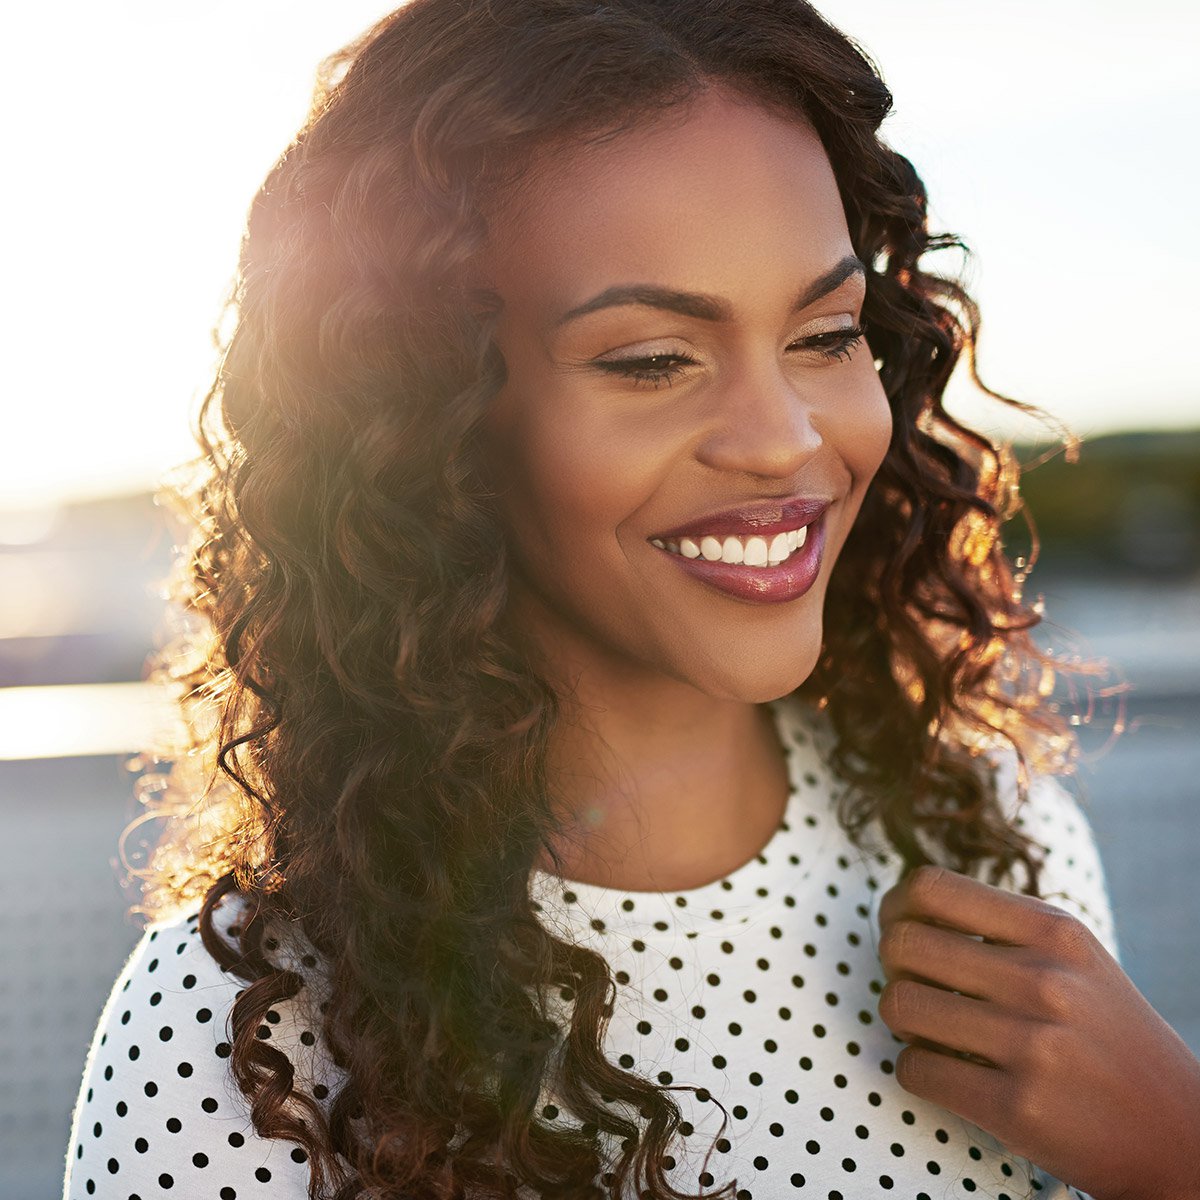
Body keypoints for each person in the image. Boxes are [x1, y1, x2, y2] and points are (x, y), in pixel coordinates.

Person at [63, 1, 1200, 1198]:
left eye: (826, 334)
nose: (783, 440)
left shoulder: (998, 840)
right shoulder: (232, 1041)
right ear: (421, 427)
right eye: (653, 359)